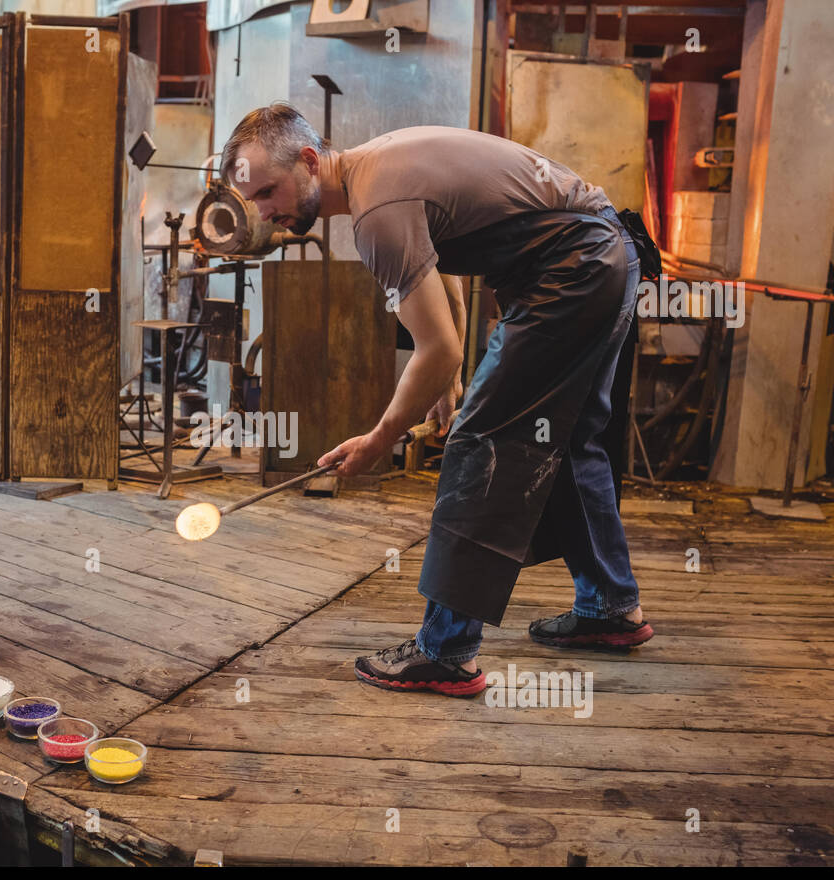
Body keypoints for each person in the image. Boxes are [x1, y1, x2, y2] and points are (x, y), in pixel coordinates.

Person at [221, 104, 656, 698]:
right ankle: (610, 606)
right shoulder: (380, 166)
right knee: (569, 436)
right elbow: (443, 266)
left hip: (576, 264)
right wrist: (447, 385)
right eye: (256, 204)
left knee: (484, 441)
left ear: (309, 160)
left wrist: (381, 438)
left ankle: (446, 652)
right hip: (607, 253)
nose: (267, 213)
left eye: (269, 192)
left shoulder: (376, 211)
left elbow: (440, 350)